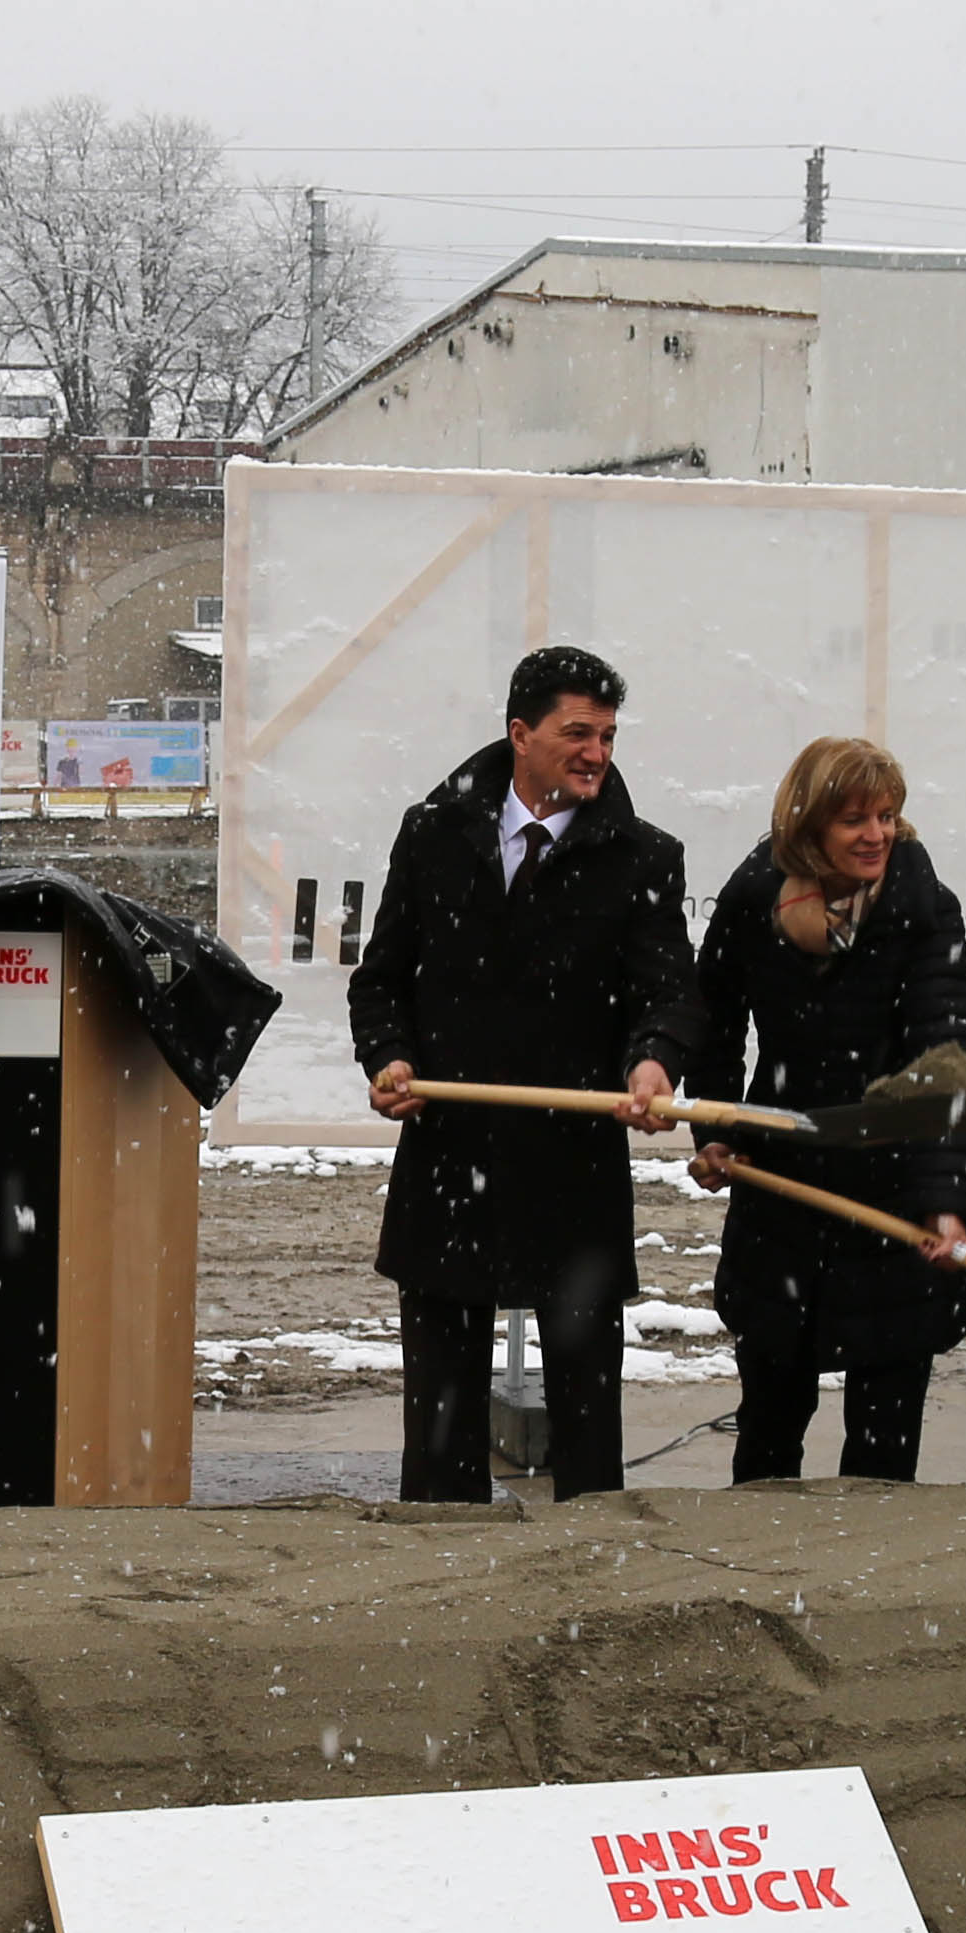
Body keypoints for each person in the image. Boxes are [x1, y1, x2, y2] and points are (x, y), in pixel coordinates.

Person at [354, 643, 699, 1502]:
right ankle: (443, 1569)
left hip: (572, 1161)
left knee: (588, 1411)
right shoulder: (433, 832)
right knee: (439, 1416)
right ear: (520, 733)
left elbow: (667, 992)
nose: (596, 753)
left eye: (608, 737)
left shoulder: (643, 856)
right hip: (448, 1150)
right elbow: (381, 979)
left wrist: (652, 1062)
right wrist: (389, 1054)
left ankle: (593, 1586)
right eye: (577, 733)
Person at [684, 738, 966, 1482]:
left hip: (894, 1191)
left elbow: (944, 1067)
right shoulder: (754, 899)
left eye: (887, 816)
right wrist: (718, 1131)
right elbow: (714, 1027)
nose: (876, 834)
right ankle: (756, 1575)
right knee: (769, 1427)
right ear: (810, 825)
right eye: (854, 819)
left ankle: (866, 1580)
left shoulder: (921, 908)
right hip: (782, 1187)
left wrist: (945, 1203)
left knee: (883, 1443)